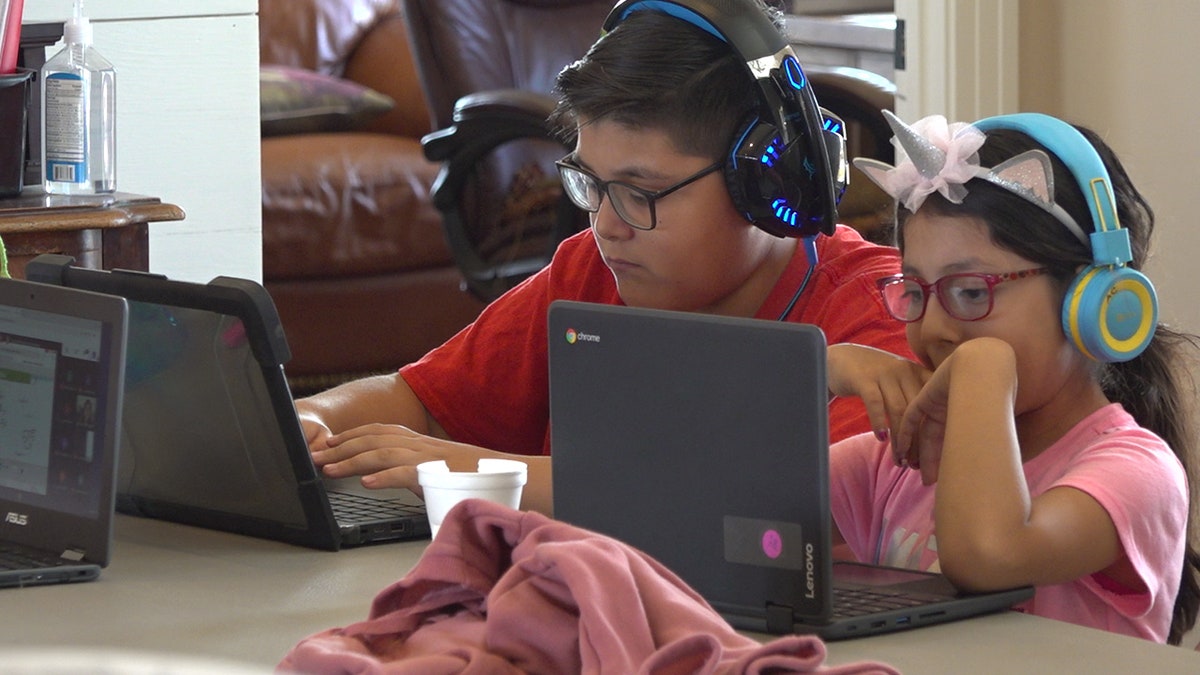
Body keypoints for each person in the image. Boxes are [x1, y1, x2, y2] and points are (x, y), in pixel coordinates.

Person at [295, 0, 912, 516]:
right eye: (591, 182)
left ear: (766, 184)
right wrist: (311, 419)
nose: (608, 225)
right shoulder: (591, 269)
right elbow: (425, 402)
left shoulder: (877, 318)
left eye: (641, 193)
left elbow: (792, 503)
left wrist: (483, 472)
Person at [826, 110, 1200, 644]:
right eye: (914, 291)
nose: (931, 327)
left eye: (972, 291)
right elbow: (718, 518)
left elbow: (988, 555)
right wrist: (822, 371)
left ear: (1086, 301)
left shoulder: (1136, 473)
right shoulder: (893, 463)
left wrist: (984, 366)